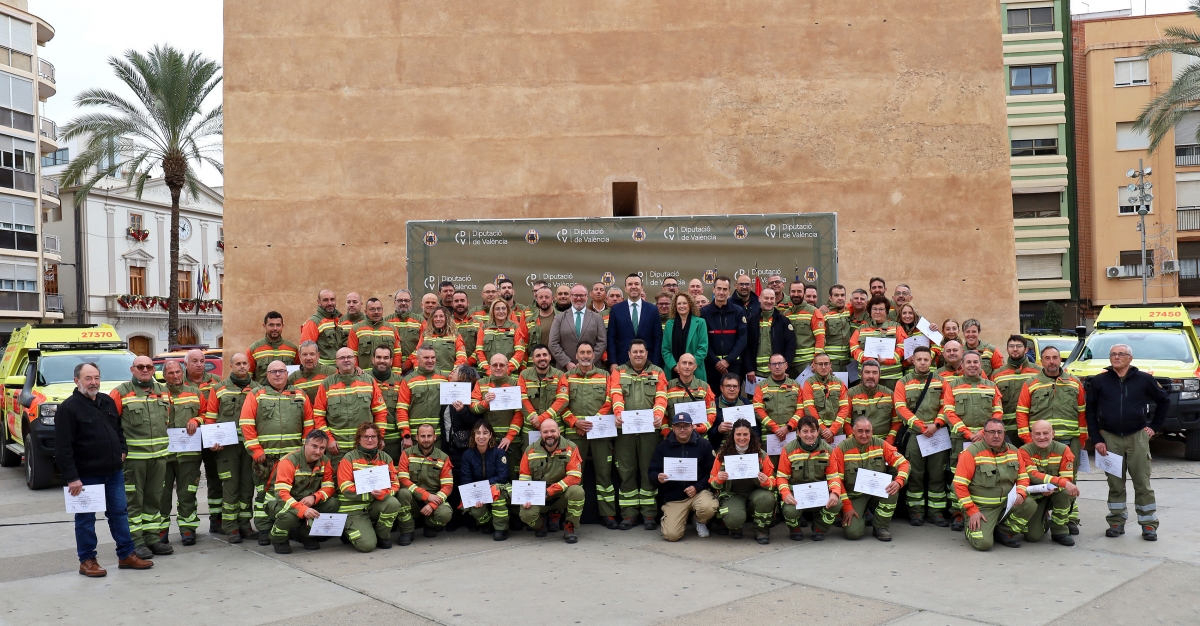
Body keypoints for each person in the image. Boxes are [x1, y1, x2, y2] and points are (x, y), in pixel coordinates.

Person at [56, 362, 154, 577]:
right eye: (88, 378)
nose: (93, 383)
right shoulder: (68, 408)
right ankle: (87, 560)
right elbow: (63, 447)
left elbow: (118, 430)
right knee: (85, 519)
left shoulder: (107, 401)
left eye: (96, 378)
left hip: (113, 472)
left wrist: (123, 450)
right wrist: (72, 478)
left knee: (119, 513)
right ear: (77, 381)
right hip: (86, 476)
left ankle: (126, 555)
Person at [1086, 343, 1168, 541]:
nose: (1116, 357)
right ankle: (1116, 521)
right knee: (1115, 483)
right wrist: (1097, 438)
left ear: (1130, 358)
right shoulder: (1099, 381)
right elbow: (1090, 411)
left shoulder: (1144, 379)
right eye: (1113, 354)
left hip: (1137, 437)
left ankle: (1148, 524)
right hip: (1110, 438)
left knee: (1142, 482)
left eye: (1121, 354)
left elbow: (1164, 400)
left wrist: (1154, 427)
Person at [240, 359, 316, 543]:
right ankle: (264, 528)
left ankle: (290, 527)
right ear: (267, 375)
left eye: (281, 371)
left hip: (293, 458)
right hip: (266, 458)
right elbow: (246, 424)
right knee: (263, 493)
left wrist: (304, 452)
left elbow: (309, 424)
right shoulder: (257, 394)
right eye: (273, 372)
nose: (278, 375)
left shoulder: (299, 394)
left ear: (286, 373)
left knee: (292, 493)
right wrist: (256, 451)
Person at [1016, 345, 1086, 534]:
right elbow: (1022, 412)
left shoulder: (1074, 382)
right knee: (1038, 477)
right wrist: (1026, 438)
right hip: (1039, 441)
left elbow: (1082, 412)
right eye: (1047, 358)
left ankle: (1070, 517)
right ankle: (1044, 514)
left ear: (1060, 360)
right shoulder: (1031, 383)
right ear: (1042, 361)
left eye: (1055, 357)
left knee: (1070, 480)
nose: (1052, 361)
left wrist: (1082, 439)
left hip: (1069, 440)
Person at [110, 355, 173, 558]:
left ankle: (152, 538)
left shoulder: (163, 392)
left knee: (155, 498)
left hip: (159, 457)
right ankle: (135, 541)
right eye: (140, 367)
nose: (145, 370)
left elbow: (167, 420)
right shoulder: (120, 393)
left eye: (149, 366)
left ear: (154, 370)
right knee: (133, 501)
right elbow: (111, 426)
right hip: (134, 459)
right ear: (132, 369)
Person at [609, 339, 669, 529]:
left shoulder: (658, 372)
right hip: (624, 430)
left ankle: (649, 515)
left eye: (641, 352)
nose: (638, 355)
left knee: (647, 471)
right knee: (626, 471)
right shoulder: (618, 371)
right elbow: (616, 394)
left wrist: (659, 415)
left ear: (646, 353)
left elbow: (661, 396)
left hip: (649, 431)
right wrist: (618, 414)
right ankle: (629, 515)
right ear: (629, 354)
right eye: (634, 352)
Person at [953, 418, 1036, 550]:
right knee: (984, 544)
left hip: (1007, 504)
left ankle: (1003, 531)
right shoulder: (971, 453)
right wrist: (971, 510)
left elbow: (1023, 477)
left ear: (1004, 434)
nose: (996, 435)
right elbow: (958, 485)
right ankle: (970, 527)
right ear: (984, 433)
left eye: (999, 432)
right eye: (991, 432)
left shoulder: (1014, 451)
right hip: (982, 508)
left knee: (1030, 504)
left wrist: (1020, 493)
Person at [941, 350, 1002, 531]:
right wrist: (967, 433)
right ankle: (958, 513)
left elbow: (998, 411)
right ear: (963, 365)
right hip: (960, 439)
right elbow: (948, 412)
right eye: (969, 362)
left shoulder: (991, 386)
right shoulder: (952, 386)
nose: (973, 365)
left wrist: (984, 433)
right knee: (957, 475)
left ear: (981, 365)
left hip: (988, 440)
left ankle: (982, 509)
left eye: (976, 362)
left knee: (984, 474)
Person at [826, 415, 910, 541]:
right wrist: (847, 507)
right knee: (853, 533)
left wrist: (899, 482)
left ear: (872, 431)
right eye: (860, 431)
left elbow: (904, 463)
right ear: (853, 431)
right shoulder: (842, 448)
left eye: (867, 431)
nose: (864, 435)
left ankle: (880, 526)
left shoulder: (881, 444)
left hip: (877, 491)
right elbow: (838, 481)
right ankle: (863, 514)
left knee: (892, 490)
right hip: (855, 496)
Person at [560, 341, 617, 524]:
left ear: (594, 355)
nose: (585, 356)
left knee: (604, 473)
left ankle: (607, 514)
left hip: (599, 431)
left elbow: (610, 400)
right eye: (582, 353)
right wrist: (575, 421)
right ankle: (574, 516)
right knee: (575, 475)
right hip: (576, 432)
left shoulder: (605, 375)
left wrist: (594, 422)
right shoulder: (567, 376)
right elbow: (561, 404)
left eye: (589, 352)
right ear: (576, 356)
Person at [204, 352, 259, 543]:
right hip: (227, 447)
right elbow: (210, 417)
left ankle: (245, 524)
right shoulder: (219, 389)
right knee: (230, 485)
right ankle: (230, 526)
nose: (242, 366)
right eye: (238, 364)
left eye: (245, 363)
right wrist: (212, 441)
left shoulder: (258, 389)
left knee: (247, 485)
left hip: (249, 446)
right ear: (231, 367)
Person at [894, 346, 950, 526]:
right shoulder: (903, 382)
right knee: (915, 475)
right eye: (919, 359)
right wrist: (921, 427)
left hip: (937, 434)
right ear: (913, 361)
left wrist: (936, 425)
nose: (923, 362)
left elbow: (947, 406)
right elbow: (900, 408)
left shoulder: (941, 382)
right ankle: (916, 512)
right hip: (914, 436)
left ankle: (936, 512)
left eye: (926, 359)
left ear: (931, 361)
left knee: (937, 474)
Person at [264, 430, 339, 553]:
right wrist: (303, 510)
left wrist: (315, 497)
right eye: (314, 446)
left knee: (333, 504)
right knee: (289, 515)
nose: (318, 451)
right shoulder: (289, 461)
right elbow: (281, 494)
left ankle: (305, 535)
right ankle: (278, 539)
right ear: (305, 443)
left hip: (306, 500)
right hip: (278, 501)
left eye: (322, 448)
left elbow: (329, 487)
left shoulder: (324, 461)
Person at [650, 411, 718, 541]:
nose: (682, 429)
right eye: (678, 426)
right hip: (674, 496)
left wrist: (697, 487)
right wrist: (657, 477)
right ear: (673, 428)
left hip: (698, 493)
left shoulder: (704, 445)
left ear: (692, 427)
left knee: (708, 507)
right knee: (671, 536)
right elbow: (652, 471)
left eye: (686, 426)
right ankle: (678, 517)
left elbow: (711, 472)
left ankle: (700, 520)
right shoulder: (663, 447)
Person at [312, 347, 388, 465]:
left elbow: (380, 412)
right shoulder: (327, 384)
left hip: (364, 448)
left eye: (349, 357)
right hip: (337, 450)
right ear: (336, 362)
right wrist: (329, 440)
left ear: (355, 360)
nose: (346, 360)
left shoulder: (368, 381)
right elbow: (318, 416)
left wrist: (379, 436)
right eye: (342, 358)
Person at [159, 361, 206, 546]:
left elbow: (207, 413)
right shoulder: (158, 394)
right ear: (165, 375)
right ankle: (160, 530)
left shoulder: (195, 393)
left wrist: (196, 419)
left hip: (189, 455)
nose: (175, 376)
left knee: (188, 493)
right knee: (161, 495)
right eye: (171, 373)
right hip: (164, 454)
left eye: (178, 371)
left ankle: (187, 529)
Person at [518, 419, 585, 543]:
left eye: (553, 431)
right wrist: (525, 498)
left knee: (577, 491)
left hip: (560, 496)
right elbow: (524, 478)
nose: (549, 434)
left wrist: (550, 491)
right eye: (545, 432)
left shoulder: (570, 447)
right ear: (541, 433)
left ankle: (569, 527)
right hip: (539, 498)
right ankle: (540, 524)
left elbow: (575, 477)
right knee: (526, 515)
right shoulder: (530, 450)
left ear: (559, 432)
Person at [710, 419, 776, 544]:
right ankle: (736, 526)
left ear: (750, 435)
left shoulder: (761, 455)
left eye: (745, 434)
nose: (742, 438)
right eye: (738, 434)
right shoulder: (722, 455)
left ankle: (761, 529)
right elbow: (712, 481)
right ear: (732, 435)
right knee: (734, 519)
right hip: (733, 494)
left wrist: (766, 481)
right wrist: (719, 478)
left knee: (767, 498)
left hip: (756, 493)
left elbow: (774, 481)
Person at [337, 423, 401, 552]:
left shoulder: (386, 458)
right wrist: (372, 494)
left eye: (373, 436)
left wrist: (383, 493)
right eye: (365, 437)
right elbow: (345, 488)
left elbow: (395, 484)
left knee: (393, 503)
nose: (370, 440)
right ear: (359, 439)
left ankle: (381, 535)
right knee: (367, 546)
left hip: (374, 505)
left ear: (378, 439)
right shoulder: (348, 458)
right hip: (353, 508)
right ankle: (347, 530)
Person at [777, 416, 840, 541]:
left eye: (813, 431)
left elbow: (833, 476)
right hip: (797, 496)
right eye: (805, 431)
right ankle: (794, 528)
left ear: (818, 432)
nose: (809, 435)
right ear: (798, 433)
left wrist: (835, 493)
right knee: (790, 511)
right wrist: (785, 494)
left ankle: (819, 527)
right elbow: (781, 477)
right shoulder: (788, 450)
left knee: (837, 503)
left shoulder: (827, 450)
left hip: (819, 494)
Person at [1018, 420, 1079, 546]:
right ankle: (1045, 519)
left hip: (1056, 493)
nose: (1042, 437)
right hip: (1035, 497)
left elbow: (1067, 479)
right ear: (1031, 435)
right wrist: (1056, 483)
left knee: (1066, 492)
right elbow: (1032, 475)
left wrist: (1056, 487)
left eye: (1046, 433)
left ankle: (1060, 530)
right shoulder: (1024, 451)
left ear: (1053, 434)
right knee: (1032, 537)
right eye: (1037, 434)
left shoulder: (1064, 450)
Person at [184, 349, 223, 535]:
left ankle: (217, 520)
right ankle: (189, 526)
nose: (199, 364)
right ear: (186, 364)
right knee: (190, 482)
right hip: (188, 441)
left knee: (215, 480)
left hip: (211, 439)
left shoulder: (215, 382)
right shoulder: (177, 382)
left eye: (202, 360)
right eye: (194, 361)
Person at [395, 423, 454, 544]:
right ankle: (407, 530)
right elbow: (403, 481)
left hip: (433, 499)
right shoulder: (406, 454)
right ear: (416, 437)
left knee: (445, 514)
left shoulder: (443, 457)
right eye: (423, 436)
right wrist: (426, 496)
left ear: (434, 437)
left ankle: (429, 524)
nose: (426, 439)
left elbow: (447, 486)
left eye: (429, 436)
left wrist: (432, 504)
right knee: (402, 493)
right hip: (413, 498)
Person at [469, 353, 526, 478]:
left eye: (502, 365)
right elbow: (473, 407)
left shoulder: (516, 383)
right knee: (491, 476)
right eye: (495, 365)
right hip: (488, 440)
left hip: (511, 441)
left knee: (513, 476)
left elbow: (520, 413)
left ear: (507, 367)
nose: (498, 368)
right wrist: (485, 403)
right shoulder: (481, 383)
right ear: (489, 367)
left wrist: (509, 437)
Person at [459, 420, 512, 541]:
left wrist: (485, 487)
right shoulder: (467, 455)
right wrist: (477, 492)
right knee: (476, 510)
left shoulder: (499, 452)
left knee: (497, 493)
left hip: (496, 487)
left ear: (490, 435)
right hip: (478, 490)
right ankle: (488, 523)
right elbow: (466, 479)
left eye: (485, 433)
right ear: (473, 435)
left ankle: (501, 529)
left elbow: (503, 476)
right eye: (478, 433)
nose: (481, 436)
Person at [397, 344, 451, 447]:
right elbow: (401, 409)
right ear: (417, 359)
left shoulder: (445, 378)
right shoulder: (408, 380)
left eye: (433, 357)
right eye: (426, 357)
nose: (430, 360)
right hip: (414, 438)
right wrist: (406, 435)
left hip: (438, 437)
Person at [991, 334, 1041, 444]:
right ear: (1007, 349)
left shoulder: (1038, 372)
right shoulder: (997, 374)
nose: (1015, 349)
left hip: (1032, 429)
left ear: (1026, 349)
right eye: (1011, 346)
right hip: (1007, 431)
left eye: (1019, 346)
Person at [608, 273, 664, 369]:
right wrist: (613, 362)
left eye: (636, 284)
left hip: (648, 363)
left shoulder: (653, 309)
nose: (633, 287)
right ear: (625, 288)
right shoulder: (616, 310)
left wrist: (655, 363)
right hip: (622, 362)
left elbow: (658, 338)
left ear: (642, 287)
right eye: (630, 284)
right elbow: (611, 338)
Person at [700, 275, 747, 386]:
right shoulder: (703, 312)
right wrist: (716, 362)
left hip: (733, 364)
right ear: (713, 289)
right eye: (719, 288)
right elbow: (703, 340)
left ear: (729, 291)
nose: (721, 292)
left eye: (725, 289)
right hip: (711, 365)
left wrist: (728, 360)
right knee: (712, 400)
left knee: (733, 397)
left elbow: (742, 339)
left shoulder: (738, 311)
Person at [849, 296, 906, 387]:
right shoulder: (861, 329)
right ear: (870, 311)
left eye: (881, 309)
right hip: (866, 377)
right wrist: (868, 359)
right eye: (874, 309)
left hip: (891, 377)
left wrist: (887, 360)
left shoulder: (896, 327)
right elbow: (854, 348)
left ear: (887, 312)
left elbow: (902, 348)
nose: (877, 312)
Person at [754, 353, 803, 457]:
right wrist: (775, 428)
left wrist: (788, 427)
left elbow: (801, 409)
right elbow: (758, 410)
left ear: (786, 365)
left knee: (793, 468)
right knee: (770, 470)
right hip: (770, 436)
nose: (777, 366)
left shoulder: (796, 385)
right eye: (774, 364)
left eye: (780, 363)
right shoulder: (761, 386)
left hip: (792, 435)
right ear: (769, 367)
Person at [549, 283, 607, 370]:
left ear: (587, 297)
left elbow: (602, 342)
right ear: (571, 297)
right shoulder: (559, 318)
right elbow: (553, 343)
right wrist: (566, 362)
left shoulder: (597, 318)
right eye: (575, 295)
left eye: (582, 295)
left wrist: (587, 361)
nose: (579, 298)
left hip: (592, 369)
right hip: (565, 370)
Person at [745, 289, 796, 382]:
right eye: (766, 298)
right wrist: (749, 369)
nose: (769, 301)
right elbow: (746, 346)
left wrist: (785, 368)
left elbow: (790, 346)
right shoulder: (750, 321)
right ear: (759, 299)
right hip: (755, 374)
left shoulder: (783, 321)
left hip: (778, 372)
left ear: (775, 300)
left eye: (772, 298)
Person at [845, 360, 898, 443]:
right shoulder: (851, 394)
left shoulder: (889, 394)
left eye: (875, 373)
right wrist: (853, 440)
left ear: (880, 375)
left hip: (884, 442)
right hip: (858, 443)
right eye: (867, 372)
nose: (871, 376)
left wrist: (889, 440)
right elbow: (845, 422)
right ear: (861, 374)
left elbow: (897, 421)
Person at [520, 344, 569, 434]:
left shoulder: (559, 375)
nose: (542, 358)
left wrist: (541, 419)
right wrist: (535, 420)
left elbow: (562, 400)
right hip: (531, 428)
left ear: (550, 357)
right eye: (538, 356)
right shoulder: (524, 375)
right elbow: (522, 399)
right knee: (532, 449)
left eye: (545, 355)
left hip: (554, 427)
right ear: (533, 359)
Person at [801, 353, 850, 443]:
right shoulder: (809, 383)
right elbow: (809, 409)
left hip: (837, 432)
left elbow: (845, 408)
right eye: (820, 364)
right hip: (817, 432)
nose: (823, 367)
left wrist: (832, 430)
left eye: (826, 364)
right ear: (814, 365)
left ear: (830, 365)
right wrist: (823, 430)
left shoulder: (839, 383)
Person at [663, 353, 716, 436]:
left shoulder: (704, 386)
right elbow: (662, 412)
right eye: (684, 363)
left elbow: (711, 412)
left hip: (698, 437)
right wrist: (666, 431)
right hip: (673, 437)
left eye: (690, 363)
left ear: (695, 367)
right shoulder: (668, 387)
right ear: (678, 365)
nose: (687, 366)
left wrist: (701, 428)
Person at [369, 345, 406, 460]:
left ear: (391, 361)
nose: (382, 361)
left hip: (393, 440)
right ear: (373, 360)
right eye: (378, 357)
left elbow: (403, 410)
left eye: (386, 358)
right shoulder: (362, 379)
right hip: (368, 439)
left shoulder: (400, 382)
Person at [662, 292, 709, 381]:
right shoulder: (669, 324)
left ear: (690, 305)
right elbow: (665, 349)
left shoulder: (700, 323)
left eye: (684, 303)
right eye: (679, 303)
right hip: (673, 372)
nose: (681, 306)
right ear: (675, 306)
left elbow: (703, 348)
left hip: (695, 371)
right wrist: (675, 366)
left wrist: (689, 366)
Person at [347, 297, 403, 372]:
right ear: (366, 312)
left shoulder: (392, 328)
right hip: (364, 376)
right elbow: (352, 354)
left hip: (386, 377)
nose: (376, 312)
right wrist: (355, 370)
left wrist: (396, 374)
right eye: (372, 309)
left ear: (382, 310)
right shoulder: (356, 329)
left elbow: (397, 353)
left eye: (379, 309)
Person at [783, 281, 825, 379]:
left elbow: (820, 338)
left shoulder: (814, 312)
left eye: (799, 291)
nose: (796, 294)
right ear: (789, 293)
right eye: (793, 291)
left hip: (807, 364)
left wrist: (816, 361)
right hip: (789, 363)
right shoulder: (786, 314)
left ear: (804, 293)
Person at [475, 299, 528, 373]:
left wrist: (507, 370)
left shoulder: (515, 328)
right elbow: (479, 352)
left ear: (507, 310)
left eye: (503, 308)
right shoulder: (484, 328)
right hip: (488, 375)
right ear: (492, 311)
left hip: (510, 376)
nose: (501, 311)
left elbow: (520, 352)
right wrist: (488, 370)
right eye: (497, 309)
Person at [247, 311, 300, 385]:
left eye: (278, 325)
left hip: (287, 394)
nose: (275, 328)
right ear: (264, 326)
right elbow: (247, 377)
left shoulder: (292, 349)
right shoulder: (253, 350)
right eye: (271, 325)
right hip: (263, 395)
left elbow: (299, 374)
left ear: (282, 326)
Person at [711, 372, 758, 451]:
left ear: (739, 388)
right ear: (721, 388)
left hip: (745, 448)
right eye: (728, 386)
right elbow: (706, 433)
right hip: (721, 448)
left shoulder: (746, 403)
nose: (732, 389)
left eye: (735, 386)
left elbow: (756, 430)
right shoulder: (713, 405)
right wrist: (717, 430)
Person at [299, 289, 345, 366]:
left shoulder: (341, 318)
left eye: (332, 299)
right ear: (319, 302)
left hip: (342, 370)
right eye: (325, 300)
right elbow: (305, 349)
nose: (330, 303)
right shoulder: (313, 322)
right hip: (324, 371)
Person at [416, 306, 467, 375]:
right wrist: (418, 372)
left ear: (447, 318)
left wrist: (453, 375)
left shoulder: (455, 336)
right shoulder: (425, 335)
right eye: (435, 317)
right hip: (427, 378)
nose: (438, 319)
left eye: (441, 316)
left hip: (447, 379)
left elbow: (461, 358)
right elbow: (417, 355)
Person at [387, 289, 425, 362]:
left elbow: (423, 345)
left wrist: (409, 362)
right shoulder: (386, 321)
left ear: (411, 302)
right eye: (400, 300)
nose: (403, 303)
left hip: (413, 366)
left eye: (406, 300)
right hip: (391, 366)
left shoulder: (420, 321)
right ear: (394, 302)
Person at [822, 284, 853, 373]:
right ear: (830, 297)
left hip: (847, 362)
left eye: (842, 295)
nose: (840, 298)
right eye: (836, 295)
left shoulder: (848, 311)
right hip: (831, 363)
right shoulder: (823, 313)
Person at [451, 291, 481, 365]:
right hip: (451, 366)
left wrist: (469, 362)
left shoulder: (477, 322)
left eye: (462, 300)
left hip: (474, 367)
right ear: (452, 304)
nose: (459, 303)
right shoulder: (447, 322)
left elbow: (481, 345)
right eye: (456, 301)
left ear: (468, 302)